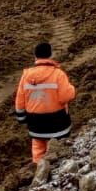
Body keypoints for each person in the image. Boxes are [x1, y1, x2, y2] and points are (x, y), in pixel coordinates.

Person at [14, 41, 75, 180]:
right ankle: (60, 175)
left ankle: (39, 172)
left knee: (38, 147)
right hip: (58, 122)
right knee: (59, 148)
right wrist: (72, 89)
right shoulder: (58, 74)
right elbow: (66, 95)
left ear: (35, 56)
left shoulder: (26, 76)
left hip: (35, 124)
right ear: (51, 55)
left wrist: (21, 117)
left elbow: (20, 99)